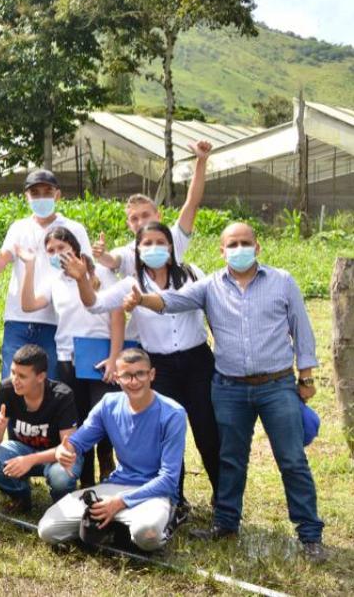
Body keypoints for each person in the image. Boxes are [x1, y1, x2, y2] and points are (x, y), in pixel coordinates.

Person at [125, 222, 326, 562]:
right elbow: (174, 301)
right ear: (222, 251)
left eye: (245, 243)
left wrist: (305, 377)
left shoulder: (282, 281)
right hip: (229, 387)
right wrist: (142, 299)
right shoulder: (210, 286)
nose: (239, 249)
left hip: (277, 384)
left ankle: (309, 535)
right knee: (230, 459)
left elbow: (301, 328)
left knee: (292, 460)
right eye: (232, 244)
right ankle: (226, 523)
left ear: (257, 247)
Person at [77, 220, 220, 513]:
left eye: (161, 242)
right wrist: (82, 279)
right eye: (147, 244)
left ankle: (223, 497)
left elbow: (212, 309)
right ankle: (174, 500)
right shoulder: (131, 283)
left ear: (171, 246)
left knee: (208, 431)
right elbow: (94, 304)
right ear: (138, 250)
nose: (155, 248)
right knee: (167, 433)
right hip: (160, 367)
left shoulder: (193, 274)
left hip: (197, 361)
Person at [36, 350, 185, 553]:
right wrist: (65, 450)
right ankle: (117, 527)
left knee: (147, 535)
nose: (134, 381)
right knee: (47, 530)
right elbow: (77, 442)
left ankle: (167, 518)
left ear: (152, 375)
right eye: (126, 375)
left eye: (140, 374)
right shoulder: (108, 404)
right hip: (116, 485)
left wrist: (120, 503)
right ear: (116, 377)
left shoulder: (173, 413)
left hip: (154, 492)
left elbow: (169, 479)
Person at [18, 226, 125, 486]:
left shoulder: (101, 273)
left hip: (100, 358)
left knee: (106, 415)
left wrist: (115, 357)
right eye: (51, 251)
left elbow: (117, 315)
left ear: (75, 248)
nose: (57, 254)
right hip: (68, 357)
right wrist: (29, 267)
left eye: (61, 248)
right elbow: (28, 304)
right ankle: (86, 479)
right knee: (80, 420)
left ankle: (107, 461)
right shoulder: (55, 281)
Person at [0, 170, 92, 378]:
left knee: (49, 384)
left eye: (47, 192)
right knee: (12, 383)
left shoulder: (74, 228)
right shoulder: (18, 228)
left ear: (58, 195)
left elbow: (87, 270)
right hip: (18, 318)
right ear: (26, 197)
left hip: (57, 321)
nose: (41, 198)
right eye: (35, 193)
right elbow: (2, 258)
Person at [0, 344, 80, 511]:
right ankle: (21, 496)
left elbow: (68, 448)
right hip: (21, 450)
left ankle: (61, 506)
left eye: (22, 376)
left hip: (55, 455)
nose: (15, 380)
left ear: (41, 377)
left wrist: (29, 460)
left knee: (61, 476)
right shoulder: (6, 389)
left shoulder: (62, 395)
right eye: (12, 372)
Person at [94, 140, 211, 276]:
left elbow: (192, 203)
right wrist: (101, 255)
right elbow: (113, 260)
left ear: (158, 216)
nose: (141, 222)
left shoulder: (174, 238)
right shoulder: (129, 252)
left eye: (145, 215)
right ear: (128, 225)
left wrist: (201, 161)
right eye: (134, 219)